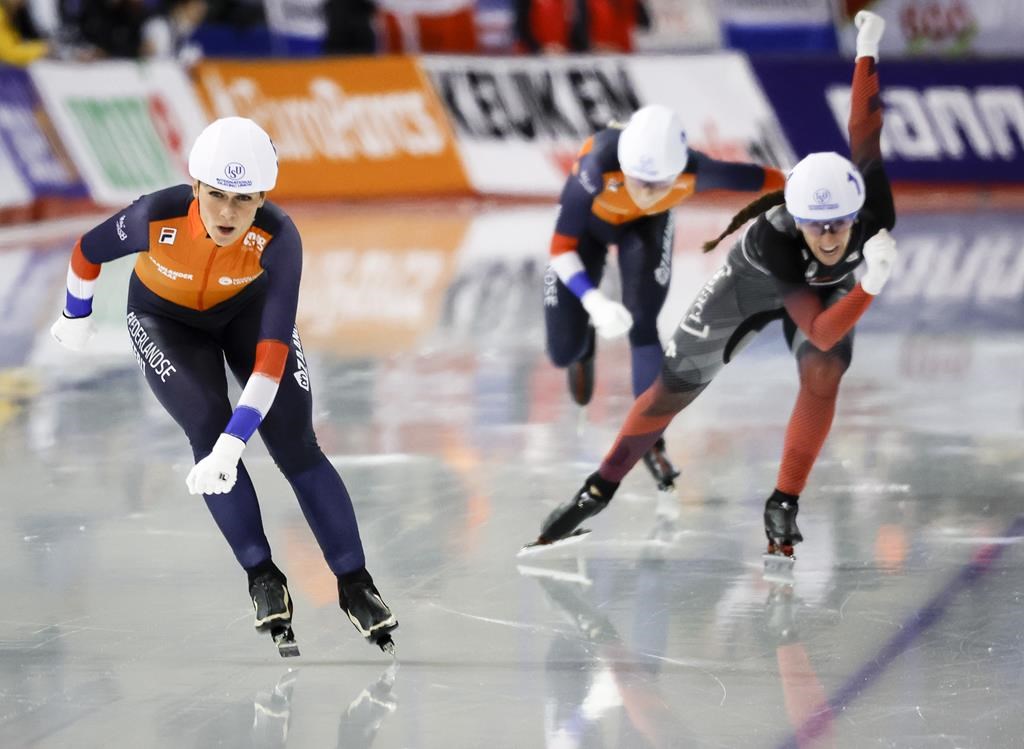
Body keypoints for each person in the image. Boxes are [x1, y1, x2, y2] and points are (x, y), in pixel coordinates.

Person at [531, 10, 897, 561]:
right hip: (754, 284)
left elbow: (865, 131)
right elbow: (818, 329)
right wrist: (870, 283)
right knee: (673, 388)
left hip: (824, 294)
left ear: (858, 215)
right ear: (792, 216)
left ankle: (784, 502)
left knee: (824, 374)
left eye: (839, 224)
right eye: (813, 223)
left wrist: (866, 49)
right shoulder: (777, 238)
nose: (827, 236)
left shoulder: (873, 211)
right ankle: (599, 487)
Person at [49, 116, 398, 657]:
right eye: (215, 195)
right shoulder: (152, 216)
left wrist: (240, 444)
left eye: (244, 199)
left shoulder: (280, 239)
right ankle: (262, 576)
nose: (228, 213)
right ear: (194, 189)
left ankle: (356, 584)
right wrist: (75, 314)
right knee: (208, 427)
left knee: (295, 444)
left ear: (263, 198)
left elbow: (271, 360)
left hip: (246, 314)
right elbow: (86, 253)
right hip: (164, 320)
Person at [544, 103, 785, 491]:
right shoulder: (596, 167)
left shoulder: (699, 172)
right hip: (587, 233)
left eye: (658, 185)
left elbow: (769, 179)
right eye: (637, 180)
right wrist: (592, 300)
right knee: (561, 351)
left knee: (643, 322)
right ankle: (582, 347)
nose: (644, 193)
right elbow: (560, 248)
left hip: (646, 230)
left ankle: (650, 441)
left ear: (677, 173)